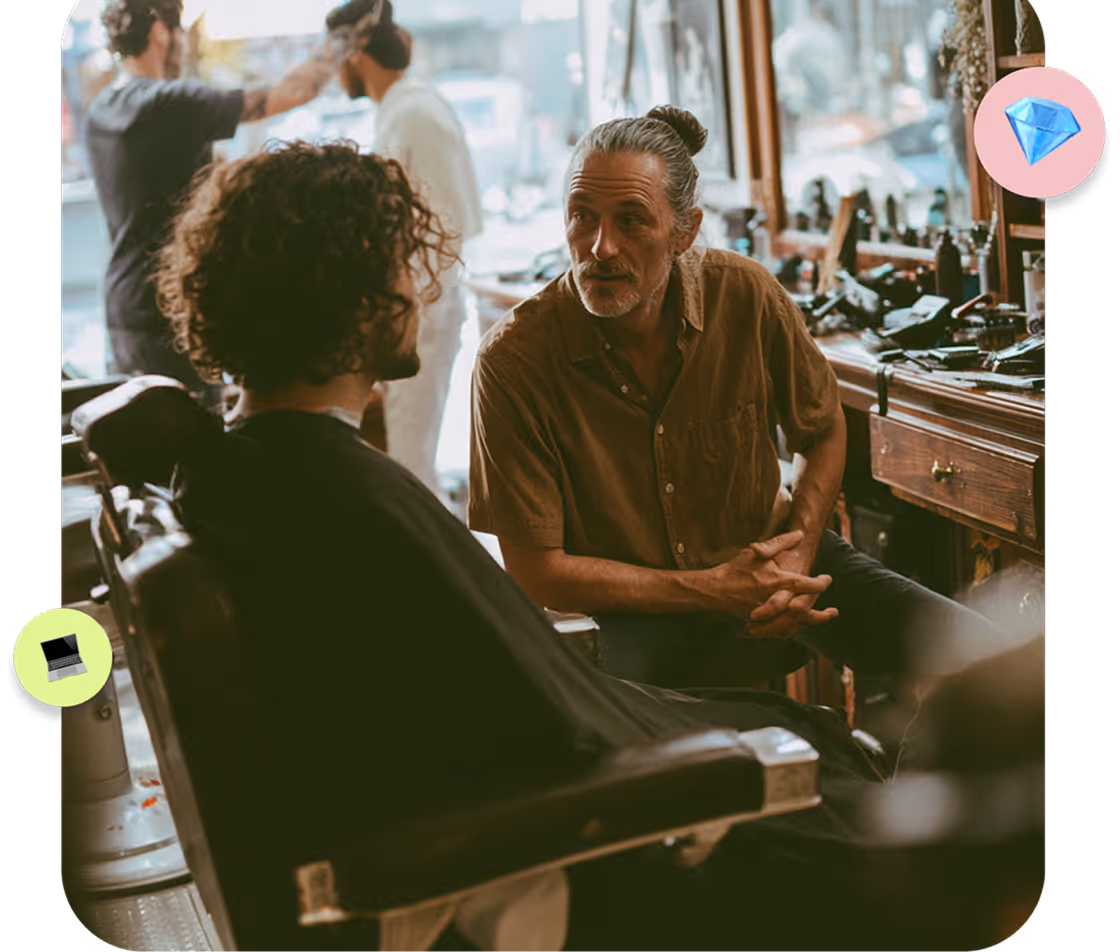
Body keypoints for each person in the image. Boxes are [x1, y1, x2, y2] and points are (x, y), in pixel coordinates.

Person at [154, 139, 1019, 951]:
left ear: (683, 232)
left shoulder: (267, 476)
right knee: (927, 863)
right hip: (595, 841)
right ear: (345, 295)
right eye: (399, 267)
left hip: (609, 759)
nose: (420, 291)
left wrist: (787, 565)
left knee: (897, 712)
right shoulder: (341, 491)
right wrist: (721, 749)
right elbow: (530, 716)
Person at [468, 105, 1014, 704]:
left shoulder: (746, 295)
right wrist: (713, 588)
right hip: (634, 607)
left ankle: (901, 791)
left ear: (686, 231)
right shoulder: (513, 362)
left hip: (774, 565)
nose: (600, 247)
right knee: (663, 757)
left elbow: (823, 427)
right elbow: (537, 569)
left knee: (993, 665)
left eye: (631, 220)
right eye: (582, 217)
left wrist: (799, 552)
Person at [86, 0, 339, 404]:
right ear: (160, 31)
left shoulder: (103, 110)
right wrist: (344, 37)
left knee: (136, 441)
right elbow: (293, 93)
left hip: (121, 303)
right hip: (169, 307)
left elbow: (165, 177)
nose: (185, 44)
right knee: (188, 446)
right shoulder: (172, 102)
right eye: (180, 31)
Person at [325, 0, 484, 503]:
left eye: (336, 59)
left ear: (356, 54)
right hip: (408, 309)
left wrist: (402, 308)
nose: (333, 72)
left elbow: (446, 226)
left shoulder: (416, 113)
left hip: (425, 310)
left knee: (412, 465)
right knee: (406, 457)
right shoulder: (399, 108)